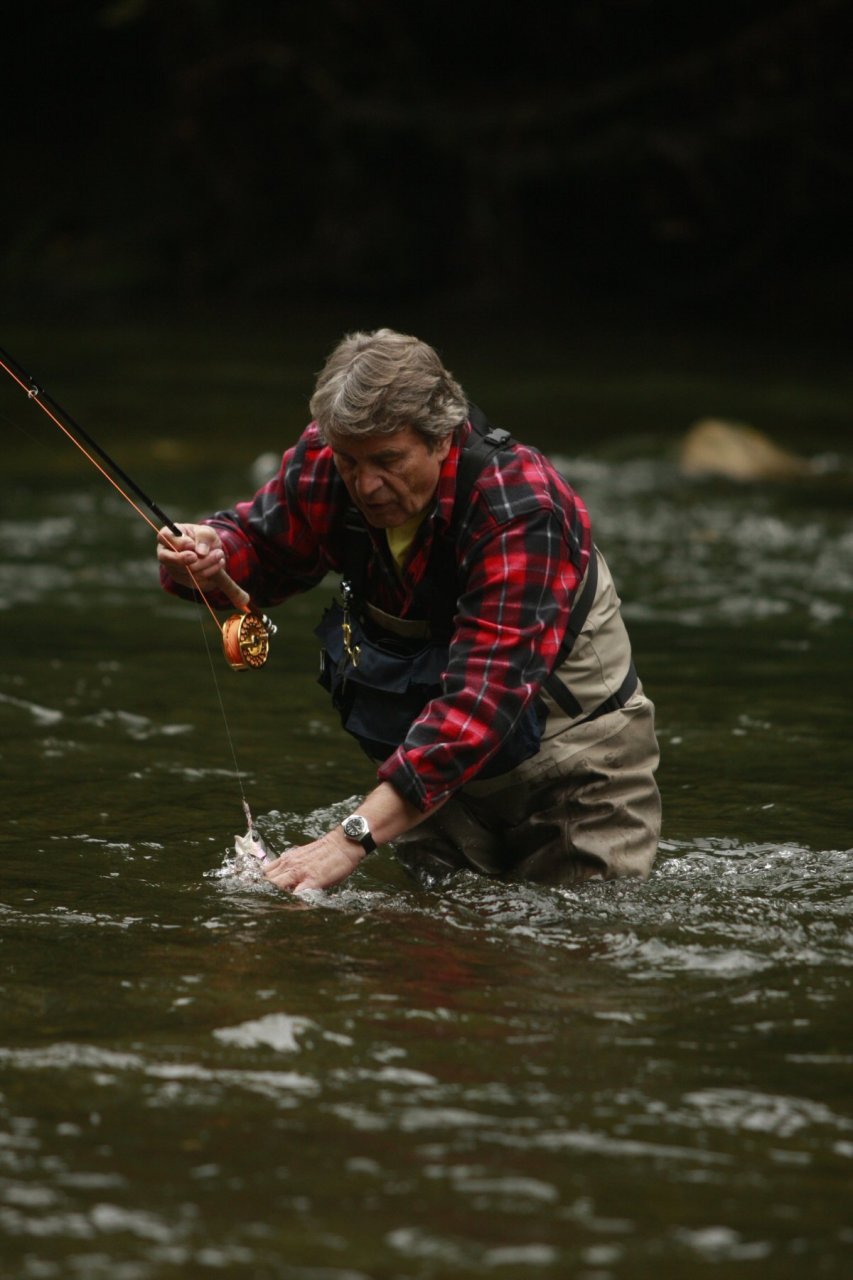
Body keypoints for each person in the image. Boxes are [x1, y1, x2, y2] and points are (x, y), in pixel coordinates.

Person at [157, 329, 661, 893]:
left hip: (576, 774)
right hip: (435, 781)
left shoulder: (519, 508)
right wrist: (211, 553)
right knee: (424, 940)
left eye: (388, 460)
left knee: (573, 935)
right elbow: (261, 549)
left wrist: (345, 841)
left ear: (442, 438)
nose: (366, 485)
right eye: (350, 462)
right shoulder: (330, 459)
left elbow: (481, 704)